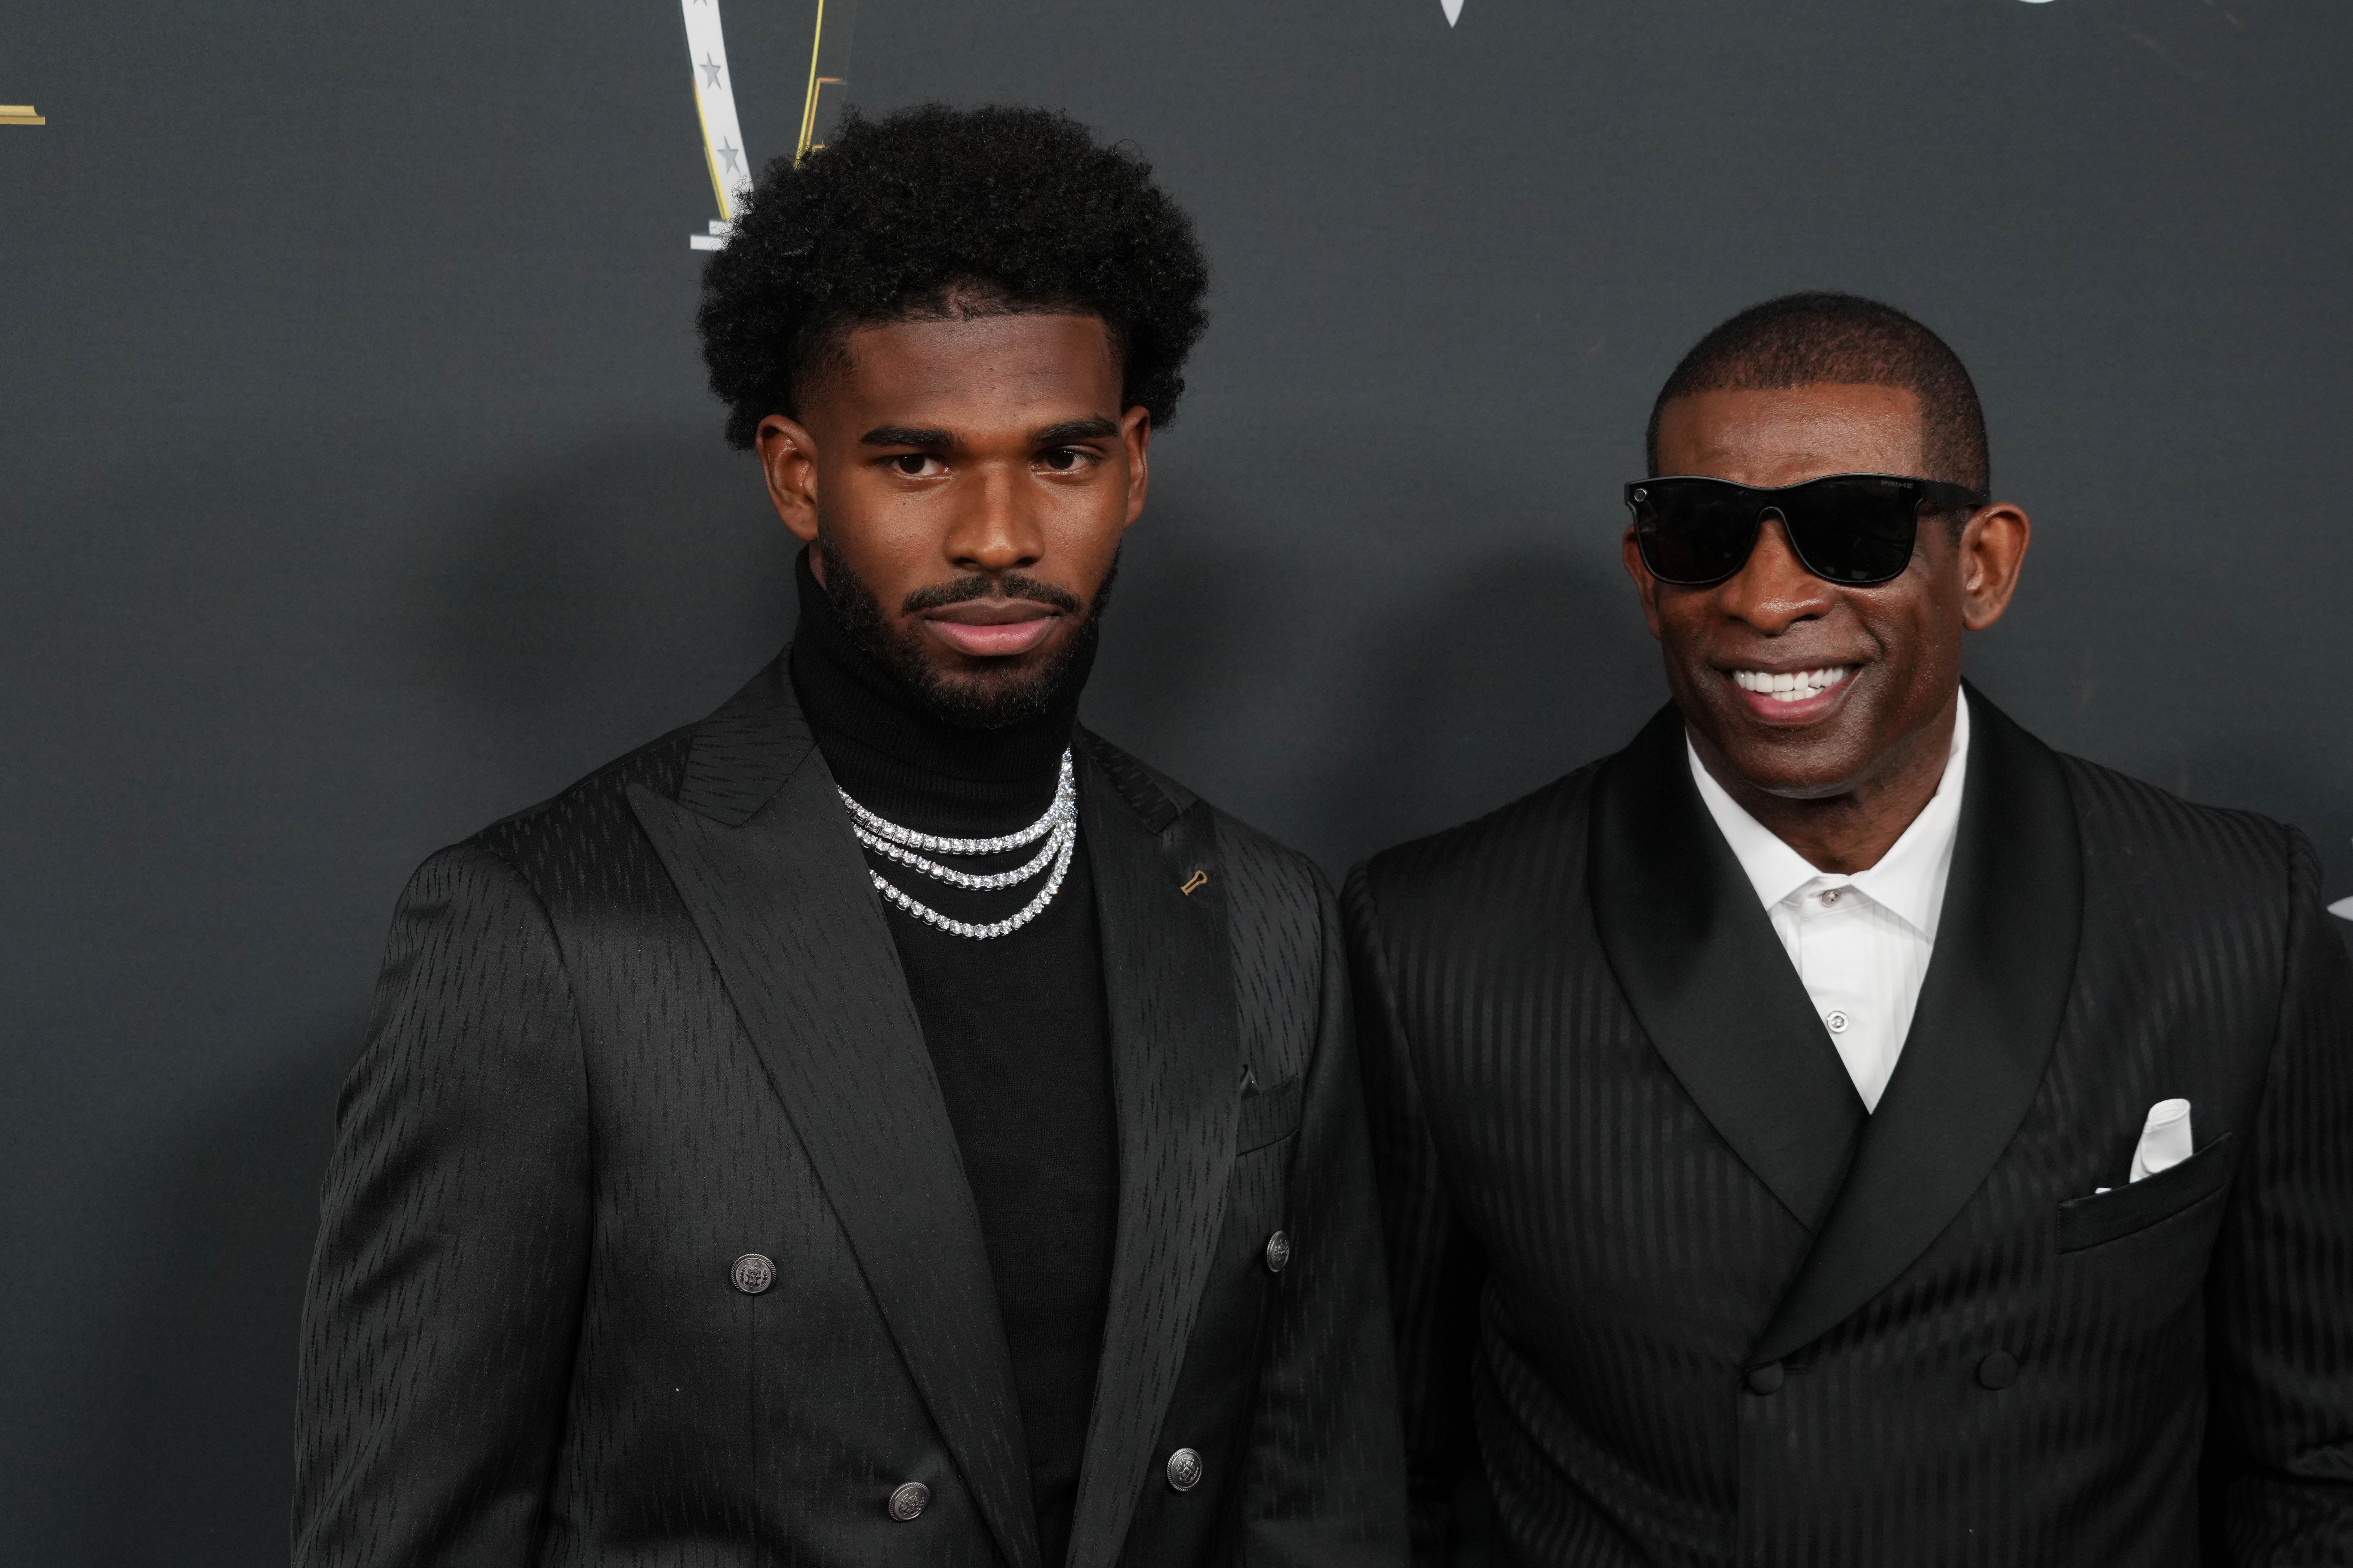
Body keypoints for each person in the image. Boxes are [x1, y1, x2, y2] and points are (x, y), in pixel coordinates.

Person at [295, 104, 1405, 1568]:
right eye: (918, 462)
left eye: (1061, 458)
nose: (1000, 532)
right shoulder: (539, 928)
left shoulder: (1264, 915)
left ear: (1132, 466)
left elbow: (1318, 1508)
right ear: (799, 476)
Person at [1347, 292, 2353, 1564]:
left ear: (1981, 563)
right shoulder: (1437, 943)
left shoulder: (2229, 917)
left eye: (1854, 529)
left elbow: (2320, 1459)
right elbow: (1383, 1472)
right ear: (1646, 574)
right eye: (1704, 534)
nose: (1769, 600)